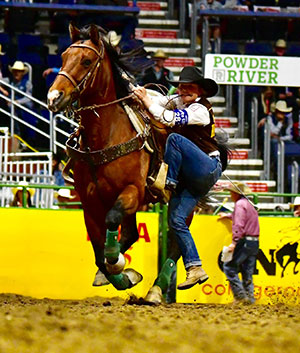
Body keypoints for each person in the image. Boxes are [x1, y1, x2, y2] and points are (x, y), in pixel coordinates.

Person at [134, 66, 228, 290]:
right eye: (182, 86)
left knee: (174, 138)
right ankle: (195, 267)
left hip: (207, 166)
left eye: (190, 87)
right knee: (176, 221)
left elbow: (165, 117)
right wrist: (142, 95)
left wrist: (146, 100)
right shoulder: (182, 102)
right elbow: (160, 103)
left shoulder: (200, 110)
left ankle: (169, 182)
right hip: (195, 176)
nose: (184, 90)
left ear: (199, 91)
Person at [218, 181, 259, 304]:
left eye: (231, 192)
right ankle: (250, 298)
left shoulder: (240, 205)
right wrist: (229, 216)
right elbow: (244, 218)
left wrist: (234, 242)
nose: (231, 195)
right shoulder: (249, 204)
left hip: (244, 241)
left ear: (236, 194)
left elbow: (239, 224)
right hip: (254, 242)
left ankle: (240, 296)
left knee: (229, 267)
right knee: (247, 271)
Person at [3, 61, 34, 137]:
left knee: (12, 107)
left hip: (24, 106)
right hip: (13, 107)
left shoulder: (27, 83)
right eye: (15, 71)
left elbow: (28, 98)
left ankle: (18, 134)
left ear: (23, 73)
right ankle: (15, 133)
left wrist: (16, 102)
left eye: (19, 71)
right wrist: (3, 91)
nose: (16, 73)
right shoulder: (8, 80)